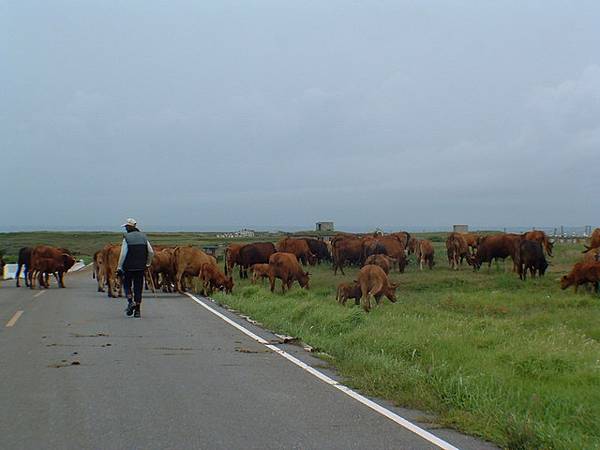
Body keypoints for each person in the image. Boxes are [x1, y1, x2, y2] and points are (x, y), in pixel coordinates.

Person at [116, 218, 154, 318]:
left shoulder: (126, 237)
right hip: (141, 267)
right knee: (138, 287)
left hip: (128, 267)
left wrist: (119, 267)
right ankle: (137, 311)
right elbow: (151, 252)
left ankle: (130, 301)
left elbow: (123, 254)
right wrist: (147, 264)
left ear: (129, 227)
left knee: (127, 285)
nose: (125, 229)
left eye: (126, 227)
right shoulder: (143, 236)